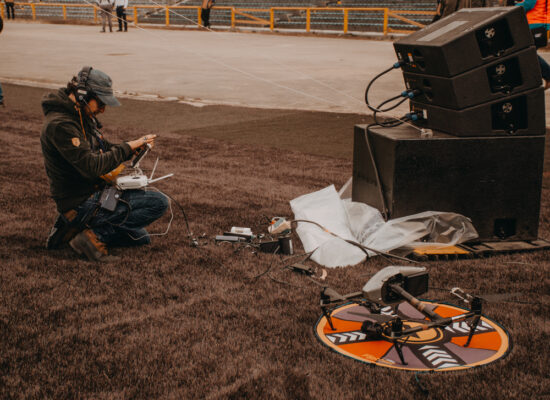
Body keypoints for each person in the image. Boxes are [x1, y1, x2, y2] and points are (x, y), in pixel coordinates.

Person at [41, 66, 168, 262]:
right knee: (158, 203)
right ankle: (91, 238)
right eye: (100, 102)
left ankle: (73, 228)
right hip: (80, 201)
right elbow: (91, 165)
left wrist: (132, 147)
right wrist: (126, 148)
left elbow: (103, 147)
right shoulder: (61, 125)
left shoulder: (81, 117)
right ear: (83, 95)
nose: (103, 109)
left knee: (140, 237)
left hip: (94, 193)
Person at [514, 0, 550, 89]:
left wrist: (513, 6)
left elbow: (528, 4)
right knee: (529, 53)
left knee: (529, 53)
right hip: (539, 24)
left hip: (536, 25)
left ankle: (548, 75)